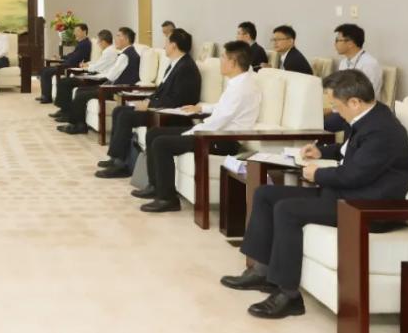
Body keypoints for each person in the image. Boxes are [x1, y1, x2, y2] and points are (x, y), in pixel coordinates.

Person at [221, 70, 408, 319]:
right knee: (266, 194)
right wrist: (323, 152)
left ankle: (289, 295)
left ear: (354, 102)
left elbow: (355, 175)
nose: (335, 112)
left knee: (286, 210)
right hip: (346, 195)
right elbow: (352, 151)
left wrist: (317, 175)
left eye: (336, 106)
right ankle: (262, 272)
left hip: (365, 206)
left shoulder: (382, 131)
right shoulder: (369, 117)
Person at [135, 41, 262, 212]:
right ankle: (155, 186)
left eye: (223, 57)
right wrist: (202, 108)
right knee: (154, 133)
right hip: (214, 133)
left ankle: (168, 199)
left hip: (224, 140)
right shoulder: (239, 82)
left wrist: (191, 132)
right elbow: (223, 108)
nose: (220, 61)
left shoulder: (242, 89)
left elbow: (219, 120)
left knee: (161, 143)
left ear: (233, 63)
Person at [95, 28, 202, 178]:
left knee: (125, 116)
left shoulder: (186, 68)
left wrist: (150, 105)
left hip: (170, 115)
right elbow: (162, 91)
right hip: (160, 108)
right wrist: (147, 100)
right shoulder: (175, 64)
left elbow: (178, 100)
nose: (164, 46)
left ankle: (121, 165)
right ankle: (115, 158)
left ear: (174, 45)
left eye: (166, 42)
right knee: (119, 111)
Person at [56, 28, 142, 134]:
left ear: (126, 39)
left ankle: (78, 126)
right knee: (80, 91)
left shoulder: (125, 55)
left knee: (81, 94)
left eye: (118, 36)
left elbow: (111, 76)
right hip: (114, 86)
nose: (115, 39)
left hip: (116, 90)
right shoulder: (128, 53)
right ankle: (78, 124)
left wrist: (102, 76)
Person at [49, 29, 116, 114]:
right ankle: (63, 110)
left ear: (103, 42)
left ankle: (64, 111)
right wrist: (87, 64)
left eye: (98, 41)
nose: (98, 44)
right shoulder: (107, 51)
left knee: (66, 82)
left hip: (98, 79)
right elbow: (97, 62)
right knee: (65, 81)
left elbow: (97, 67)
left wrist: (86, 67)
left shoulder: (109, 52)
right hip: (95, 76)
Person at [36, 23, 91, 104]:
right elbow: (72, 55)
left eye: (77, 31)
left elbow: (76, 59)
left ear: (84, 31)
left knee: (46, 71)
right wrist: (61, 57)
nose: (75, 33)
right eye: (75, 31)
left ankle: (46, 97)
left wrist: (63, 64)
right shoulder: (81, 43)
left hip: (71, 67)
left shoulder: (85, 44)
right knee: (44, 70)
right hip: (67, 65)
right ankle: (45, 95)